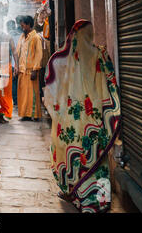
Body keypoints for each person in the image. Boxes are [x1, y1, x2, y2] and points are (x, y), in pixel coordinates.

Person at [44, 20, 121, 213]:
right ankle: (100, 201)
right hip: (94, 121)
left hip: (69, 123)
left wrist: (57, 112)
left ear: (72, 35)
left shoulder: (61, 58)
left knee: (68, 154)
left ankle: (71, 193)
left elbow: (50, 86)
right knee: (97, 159)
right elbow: (111, 83)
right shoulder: (100, 55)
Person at [16, 15, 43, 122]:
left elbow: (38, 54)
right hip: (22, 71)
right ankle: (25, 114)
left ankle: (34, 115)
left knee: (32, 94)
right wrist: (16, 67)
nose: (22, 27)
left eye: (23, 25)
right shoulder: (22, 37)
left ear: (28, 25)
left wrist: (35, 70)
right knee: (23, 95)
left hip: (31, 71)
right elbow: (18, 52)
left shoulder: (36, 37)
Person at [6, 20, 21, 107]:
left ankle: (15, 101)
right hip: (20, 62)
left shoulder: (9, 36)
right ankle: (19, 99)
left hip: (12, 63)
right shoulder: (20, 35)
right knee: (18, 82)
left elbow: (11, 52)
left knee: (13, 83)